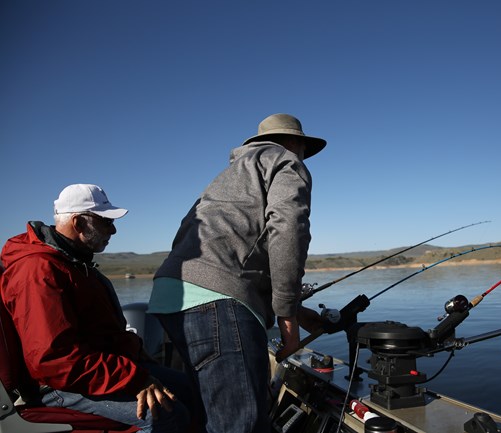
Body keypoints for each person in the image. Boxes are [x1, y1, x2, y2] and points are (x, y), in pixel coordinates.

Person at [148, 113, 327, 433]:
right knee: (240, 425)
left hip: (169, 299)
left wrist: (295, 309)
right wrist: (288, 319)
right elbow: (288, 230)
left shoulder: (227, 178)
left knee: (210, 417)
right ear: (295, 142)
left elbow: (205, 247)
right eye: (302, 147)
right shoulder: (286, 162)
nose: (302, 154)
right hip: (216, 303)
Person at [0, 184, 191, 433]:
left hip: (99, 372)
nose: (113, 229)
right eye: (105, 221)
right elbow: (54, 360)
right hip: (58, 387)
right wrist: (136, 379)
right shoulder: (38, 272)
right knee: (165, 415)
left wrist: (139, 358)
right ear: (79, 223)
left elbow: (104, 335)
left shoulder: (76, 263)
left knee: (191, 388)